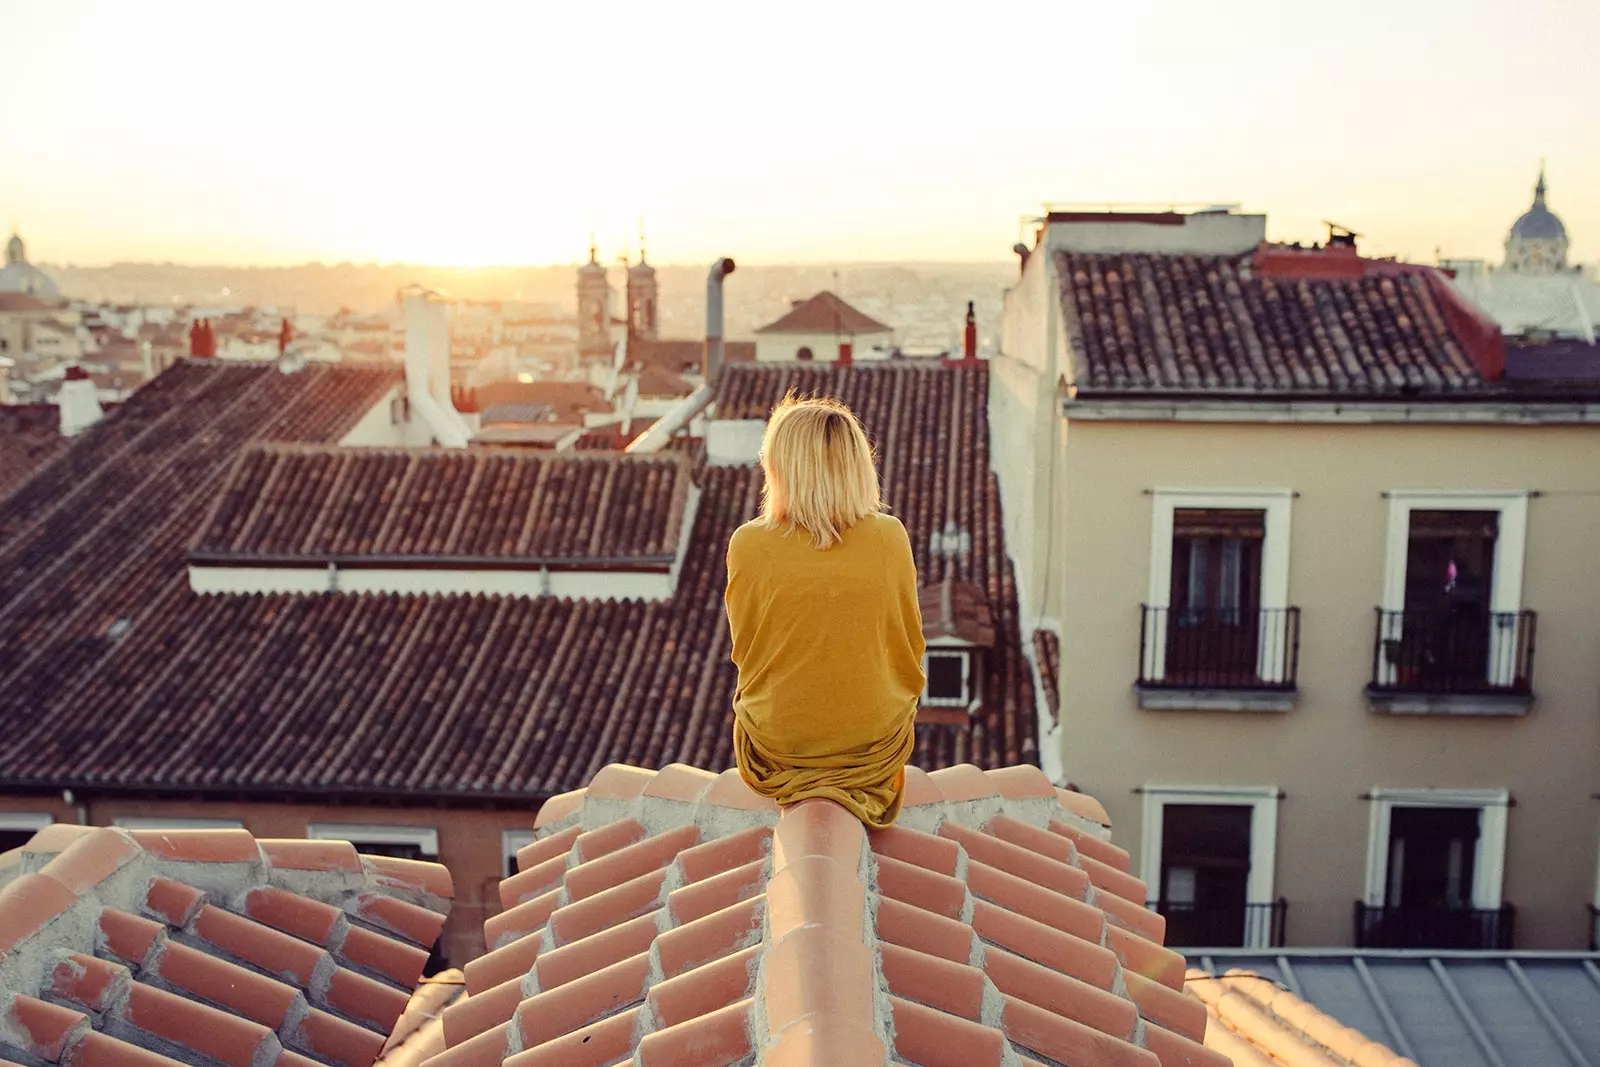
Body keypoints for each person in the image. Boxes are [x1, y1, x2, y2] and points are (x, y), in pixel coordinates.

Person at [724, 392, 925, 829]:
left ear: (779, 468)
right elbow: (909, 646)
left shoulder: (749, 543)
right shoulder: (890, 537)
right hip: (872, 744)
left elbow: (747, 653)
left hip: (779, 744)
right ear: (857, 465)